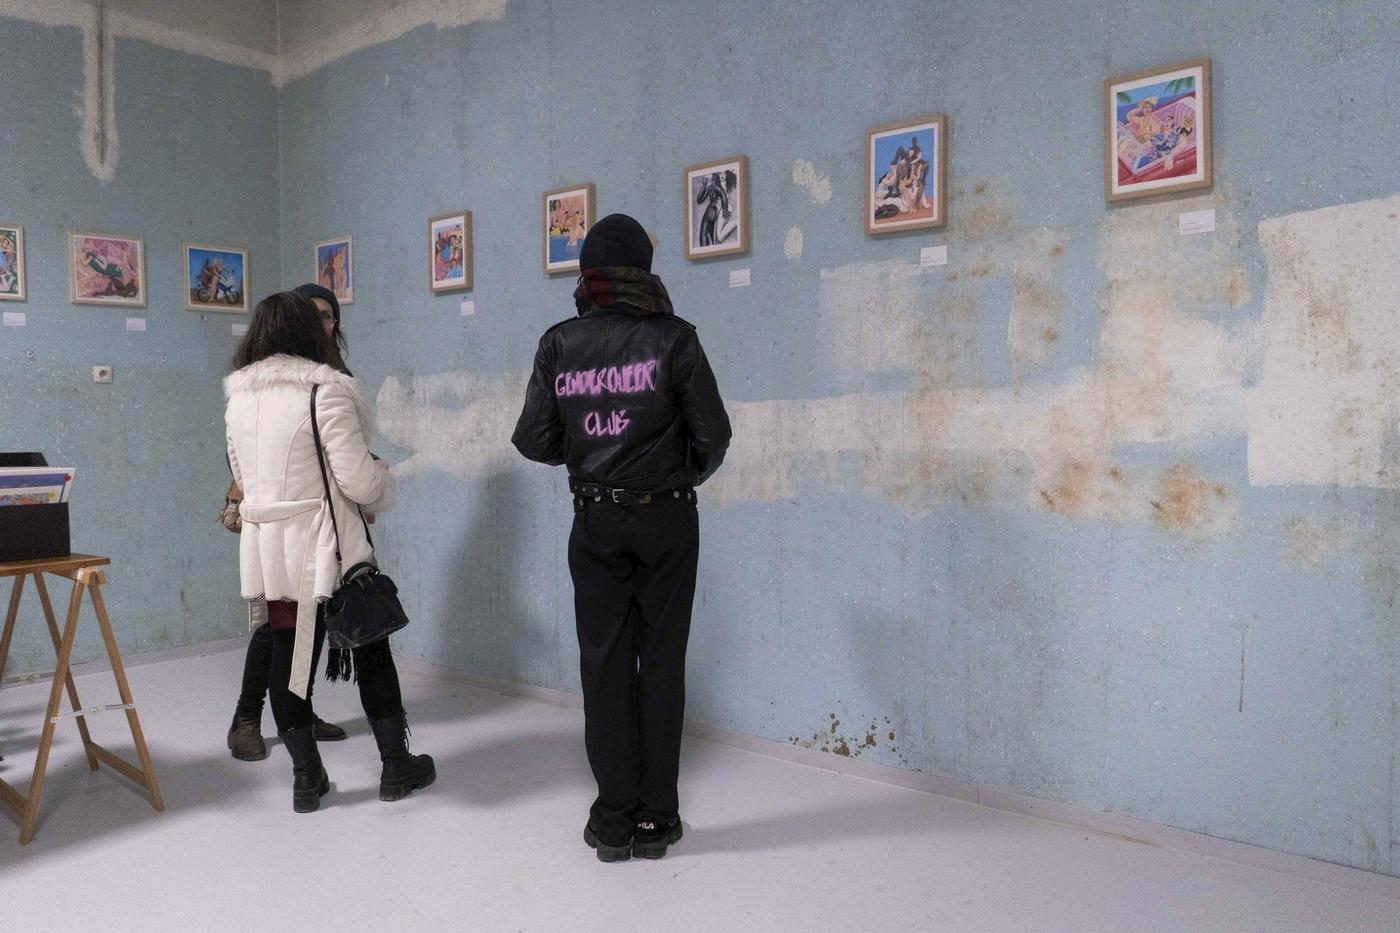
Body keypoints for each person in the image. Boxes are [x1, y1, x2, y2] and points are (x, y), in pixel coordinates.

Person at [512, 214, 731, 862]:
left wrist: (587, 459)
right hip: (667, 519)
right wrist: (675, 475)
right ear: (644, 268)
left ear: (589, 275)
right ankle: (656, 819)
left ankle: (612, 820)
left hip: (595, 519)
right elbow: (713, 434)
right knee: (661, 662)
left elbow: (532, 438)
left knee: (604, 665)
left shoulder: (560, 343)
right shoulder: (676, 337)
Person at [225, 291, 434, 813]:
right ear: (308, 333)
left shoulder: (238, 400)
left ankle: (305, 776)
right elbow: (359, 482)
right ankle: (394, 767)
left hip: (273, 555)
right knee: (371, 651)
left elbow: (245, 480)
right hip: (331, 551)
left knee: (288, 662)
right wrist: (382, 475)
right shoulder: (326, 392)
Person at [225, 283, 352, 762]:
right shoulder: (259, 387)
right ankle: (247, 719)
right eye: (314, 315)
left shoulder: (332, 376)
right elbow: (245, 458)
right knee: (277, 627)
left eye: (329, 315)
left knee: (308, 627)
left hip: (327, 521)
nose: (324, 323)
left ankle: (299, 711)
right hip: (283, 520)